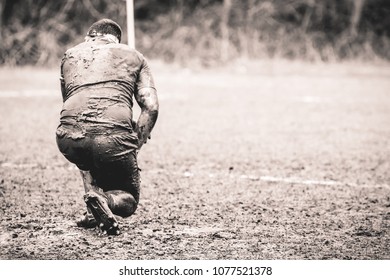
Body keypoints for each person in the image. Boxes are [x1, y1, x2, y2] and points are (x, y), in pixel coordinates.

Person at [56, 19, 159, 235]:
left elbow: (70, 102)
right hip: (113, 134)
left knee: (84, 145)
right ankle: (105, 200)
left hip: (68, 137)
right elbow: (151, 107)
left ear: (89, 38)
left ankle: (92, 209)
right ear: (115, 40)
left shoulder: (70, 54)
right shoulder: (133, 55)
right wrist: (135, 144)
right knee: (129, 200)